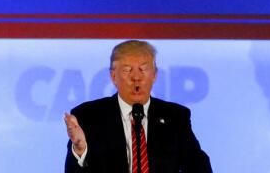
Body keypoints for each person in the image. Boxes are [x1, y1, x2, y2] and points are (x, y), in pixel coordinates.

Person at [63, 40, 211, 173]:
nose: (136, 77)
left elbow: (198, 165)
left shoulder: (175, 116)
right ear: (113, 76)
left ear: (154, 75)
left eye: (143, 69)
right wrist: (80, 150)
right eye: (127, 70)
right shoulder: (88, 116)